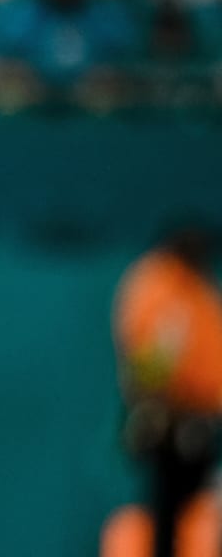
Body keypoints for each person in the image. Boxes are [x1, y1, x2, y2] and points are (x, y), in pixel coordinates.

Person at [113, 225, 222, 557]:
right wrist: (156, 404)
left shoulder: (189, 288)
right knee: (167, 507)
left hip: (193, 417)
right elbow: (154, 361)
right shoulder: (164, 288)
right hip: (171, 419)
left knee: (189, 505)